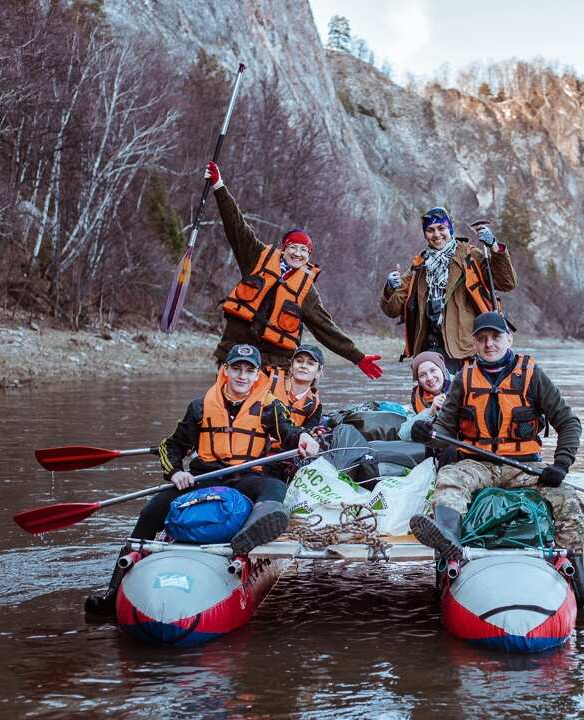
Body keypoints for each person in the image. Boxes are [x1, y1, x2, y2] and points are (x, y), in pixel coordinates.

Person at [84, 344, 320, 616]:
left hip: (246, 477)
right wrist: (175, 472)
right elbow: (170, 446)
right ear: (225, 371)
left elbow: (290, 432)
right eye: (236, 368)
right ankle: (112, 594)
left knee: (275, 486)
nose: (242, 376)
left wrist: (303, 438)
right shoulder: (200, 406)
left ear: (257, 376)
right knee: (151, 511)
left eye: (249, 370)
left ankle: (254, 531)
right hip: (204, 476)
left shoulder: (270, 407)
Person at [408, 312, 584, 607]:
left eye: (495, 337)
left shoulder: (531, 374)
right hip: (477, 465)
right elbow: (443, 429)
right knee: (449, 481)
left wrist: (561, 465)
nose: (489, 344)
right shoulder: (464, 379)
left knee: (567, 498)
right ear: (475, 344)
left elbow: (569, 422)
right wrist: (427, 431)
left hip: (524, 466)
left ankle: (580, 584)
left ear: (509, 339)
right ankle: (449, 555)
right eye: (482, 339)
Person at [205, 161, 384, 379]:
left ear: (309, 257)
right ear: (284, 248)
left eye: (304, 251)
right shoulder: (256, 257)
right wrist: (219, 187)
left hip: (273, 363)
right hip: (233, 355)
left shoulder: (306, 292)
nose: (298, 254)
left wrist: (358, 357)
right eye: (293, 248)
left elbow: (325, 329)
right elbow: (236, 225)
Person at [380, 207, 516, 372]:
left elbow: (507, 282)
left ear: (450, 229)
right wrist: (390, 288)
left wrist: (494, 247)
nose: (436, 234)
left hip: (465, 350)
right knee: (431, 397)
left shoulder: (469, 255)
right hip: (429, 348)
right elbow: (391, 309)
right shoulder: (419, 265)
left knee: (463, 396)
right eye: (430, 230)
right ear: (425, 234)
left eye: (441, 228)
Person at [264, 344, 325, 431]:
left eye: (310, 363)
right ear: (291, 367)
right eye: (299, 361)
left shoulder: (315, 406)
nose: (303, 366)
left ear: (318, 372)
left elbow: (307, 432)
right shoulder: (268, 380)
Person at [398, 350, 450, 441]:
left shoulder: (460, 386)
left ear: (442, 370)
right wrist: (430, 412)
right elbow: (403, 435)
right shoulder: (417, 397)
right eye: (423, 375)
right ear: (419, 381)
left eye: (433, 370)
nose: (429, 378)